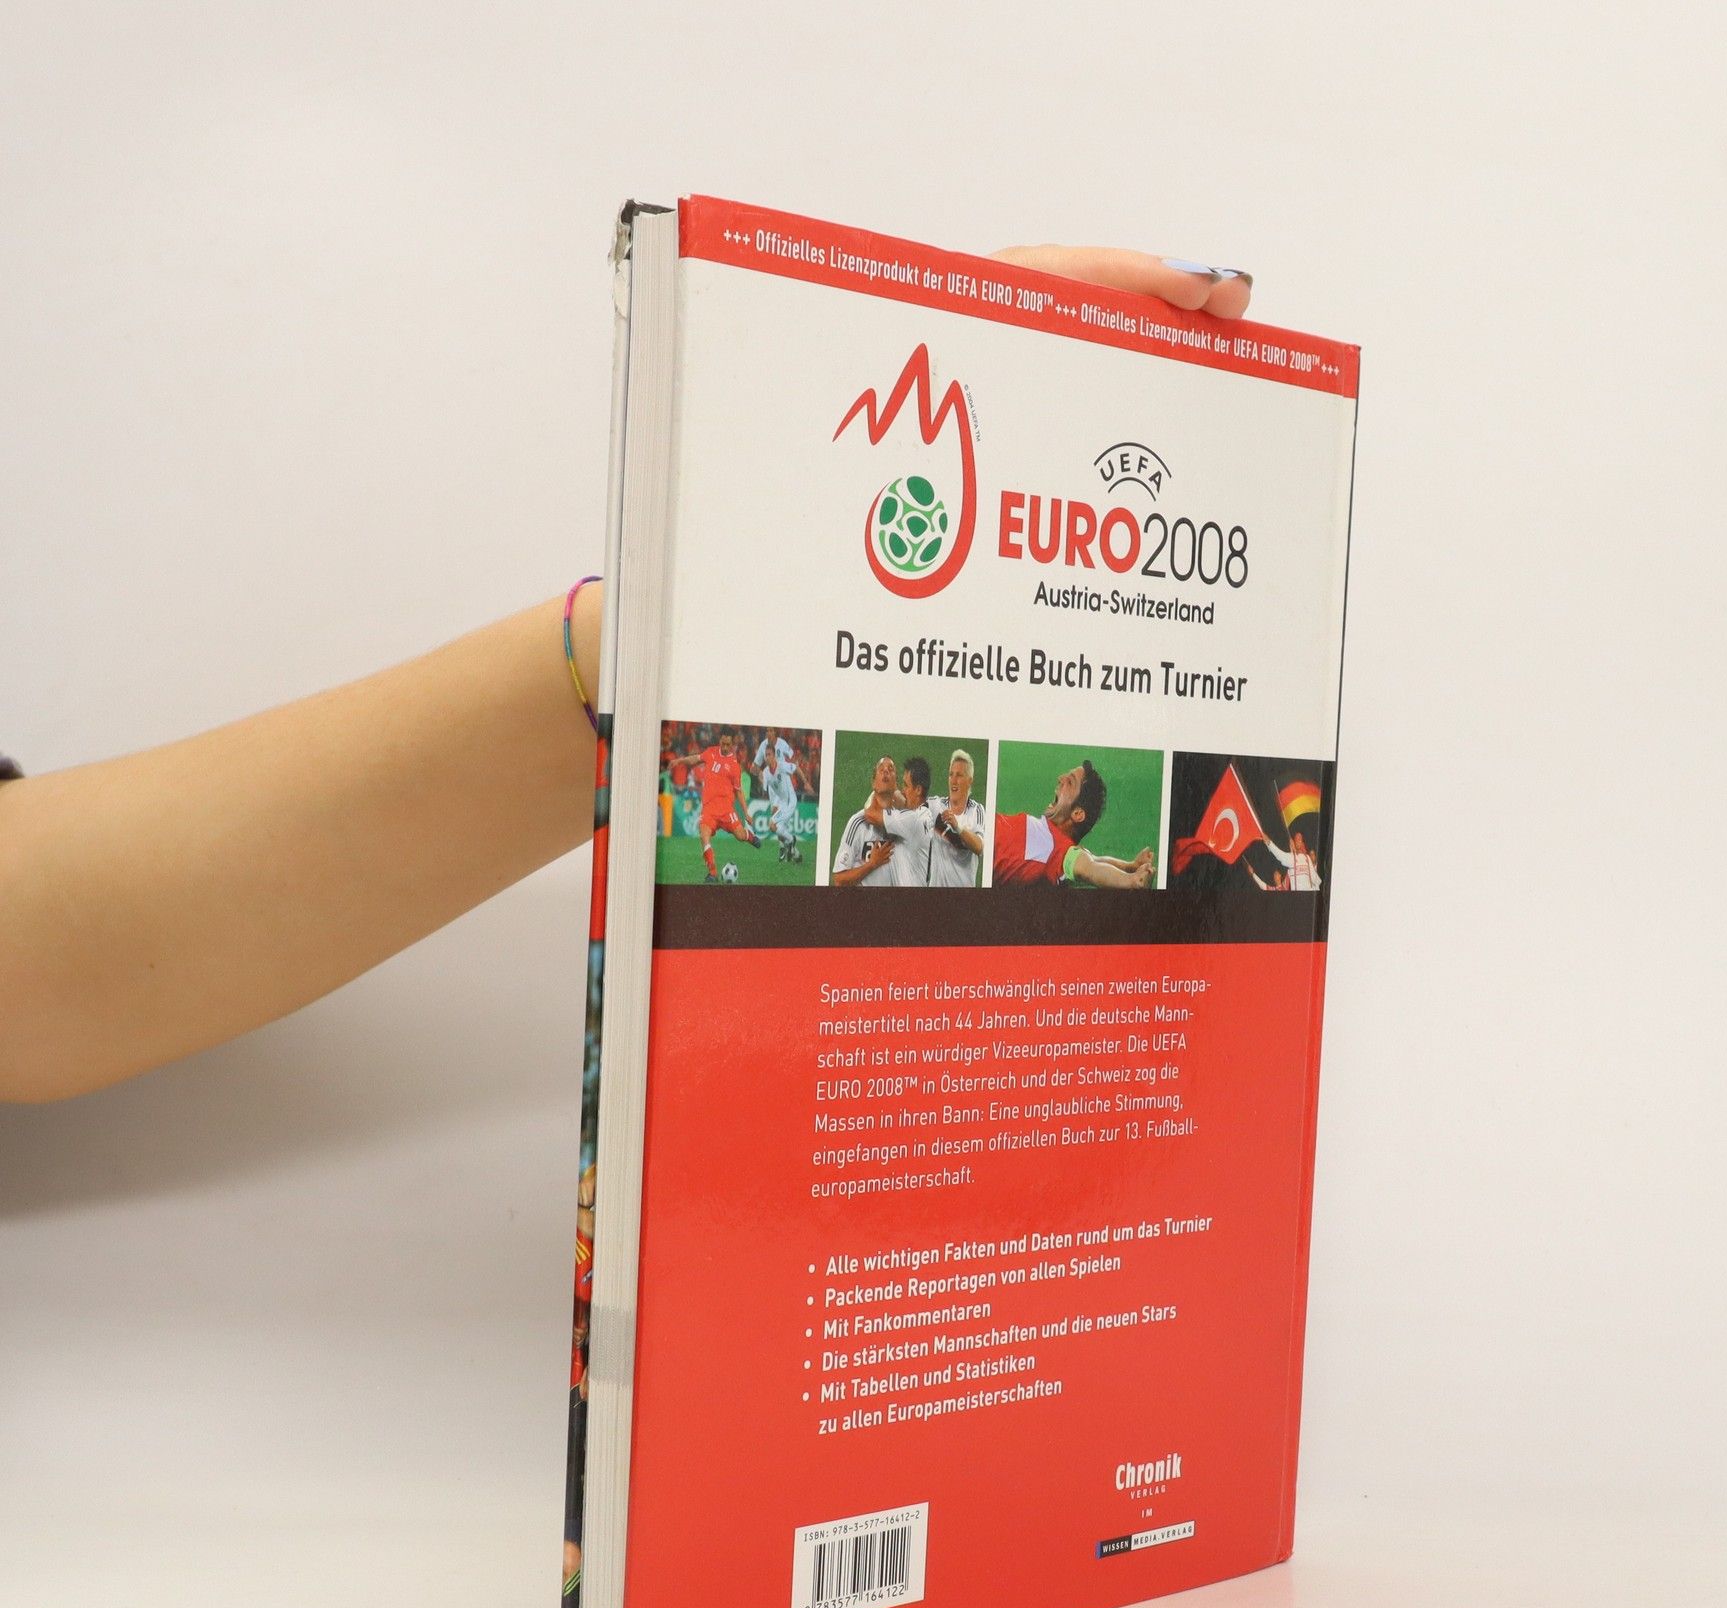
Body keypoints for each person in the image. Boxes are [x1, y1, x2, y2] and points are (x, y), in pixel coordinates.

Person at [0, 249, 1251, 1103]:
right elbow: (50, 960)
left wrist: (684, 624)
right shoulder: (967, 828)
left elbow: (47, 948)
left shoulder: (1011, 836)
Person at [992, 759, 1156, 889]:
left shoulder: (1060, 852)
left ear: (1077, 814)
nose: (1060, 778)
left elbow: (1090, 869)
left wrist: (1131, 881)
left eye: (1070, 782)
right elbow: (1096, 860)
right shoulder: (1058, 845)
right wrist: (1130, 866)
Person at [666, 727, 760, 882]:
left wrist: (746, 813)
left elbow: (738, 791)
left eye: (728, 744)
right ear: (720, 740)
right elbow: (695, 759)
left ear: (732, 744)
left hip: (726, 810)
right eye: (723, 743)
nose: (725, 747)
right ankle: (713, 873)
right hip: (709, 809)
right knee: (704, 836)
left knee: (740, 836)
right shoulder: (710, 752)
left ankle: (749, 836)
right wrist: (679, 760)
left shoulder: (734, 766)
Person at [865, 755, 937, 887]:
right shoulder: (924, 813)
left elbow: (870, 815)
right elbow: (902, 801)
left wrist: (878, 787)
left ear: (918, 790)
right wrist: (891, 788)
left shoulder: (912, 820)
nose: (903, 790)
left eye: (906, 785)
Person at [830, 754, 900, 888]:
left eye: (891, 769)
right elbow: (839, 879)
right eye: (881, 769)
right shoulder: (858, 823)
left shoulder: (904, 823)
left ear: (896, 783)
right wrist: (871, 864)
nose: (886, 771)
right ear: (873, 783)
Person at [753, 728, 814, 865]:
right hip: (781, 802)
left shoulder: (782, 766)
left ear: (774, 755)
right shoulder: (766, 772)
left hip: (790, 801)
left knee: (773, 824)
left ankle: (791, 840)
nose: (767, 757)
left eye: (769, 755)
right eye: (766, 755)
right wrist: (760, 777)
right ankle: (795, 853)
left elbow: (796, 768)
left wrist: (805, 783)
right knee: (777, 829)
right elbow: (764, 788)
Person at [928, 749, 987, 888]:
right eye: (951, 775)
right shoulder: (936, 806)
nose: (953, 781)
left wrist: (957, 826)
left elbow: (979, 847)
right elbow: (910, 803)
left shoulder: (976, 810)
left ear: (969, 781)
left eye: (959, 775)